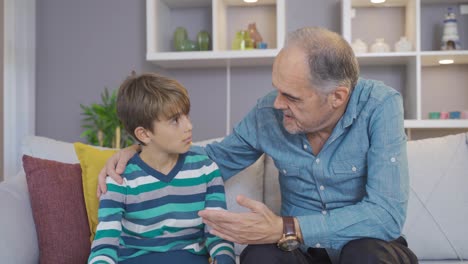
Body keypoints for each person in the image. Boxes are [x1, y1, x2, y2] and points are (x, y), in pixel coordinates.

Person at [97, 27, 418, 264]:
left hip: (368, 246)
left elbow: (385, 215)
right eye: (277, 89)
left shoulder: (380, 105)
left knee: (364, 255)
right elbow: (211, 162)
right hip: (302, 252)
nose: (277, 104)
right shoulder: (269, 113)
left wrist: (285, 226)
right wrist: (141, 151)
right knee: (259, 256)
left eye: (291, 97)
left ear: (337, 97)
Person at [88, 73, 235, 264]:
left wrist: (224, 258)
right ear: (144, 133)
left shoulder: (206, 169)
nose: (189, 126)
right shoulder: (119, 179)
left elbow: (218, 232)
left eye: (186, 115)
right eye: (175, 120)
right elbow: (105, 244)